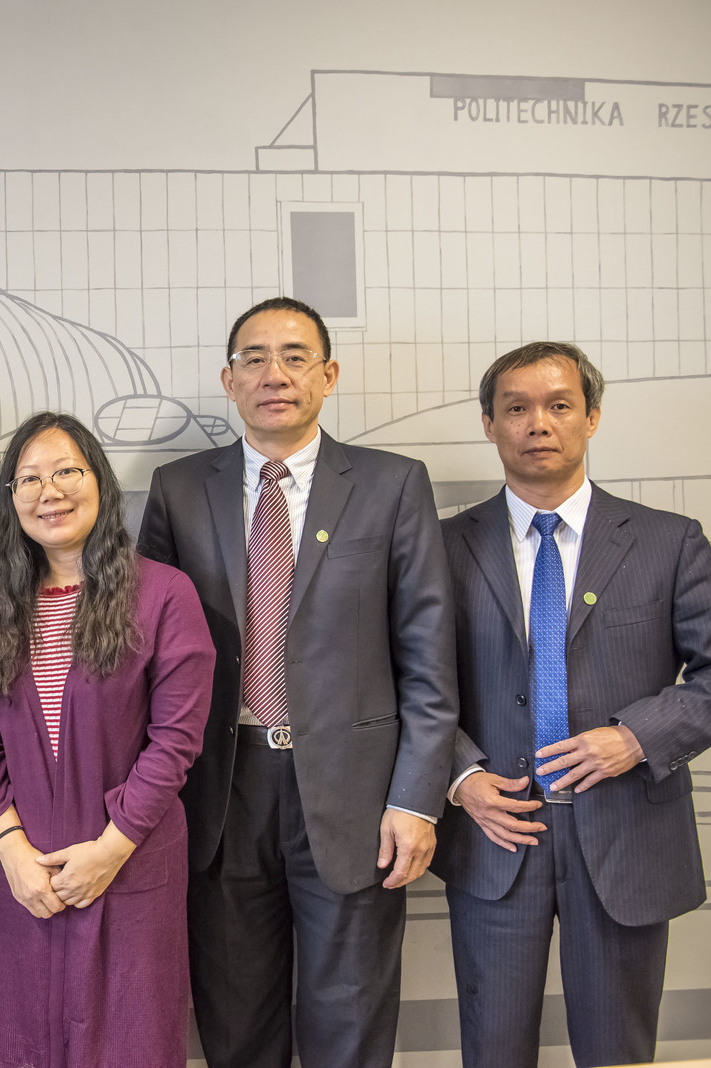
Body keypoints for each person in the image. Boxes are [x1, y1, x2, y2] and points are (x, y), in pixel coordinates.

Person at [138, 296, 459, 1068]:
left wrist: (416, 799)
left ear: (328, 374)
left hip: (357, 795)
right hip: (221, 792)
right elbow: (148, 652)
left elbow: (428, 659)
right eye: (254, 358)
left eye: (294, 357)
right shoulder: (179, 489)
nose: (274, 374)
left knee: (349, 1021)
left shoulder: (392, 485)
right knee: (235, 1023)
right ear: (229, 380)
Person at [432, 342, 711, 1068]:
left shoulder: (667, 542)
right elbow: (411, 681)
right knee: (492, 1050)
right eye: (516, 408)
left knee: (618, 1054)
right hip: (496, 834)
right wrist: (460, 778)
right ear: (489, 424)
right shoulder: (440, 546)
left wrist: (638, 736)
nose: (538, 423)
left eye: (559, 405)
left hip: (626, 835)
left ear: (592, 417)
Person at [0, 411, 214, 1068]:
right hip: (33, 875)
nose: (50, 492)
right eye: (29, 479)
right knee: (33, 1043)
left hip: (131, 862)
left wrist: (109, 850)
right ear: (11, 499)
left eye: (66, 472)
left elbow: (176, 741)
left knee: (132, 1042)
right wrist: (11, 851)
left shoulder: (164, 594)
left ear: (99, 481)